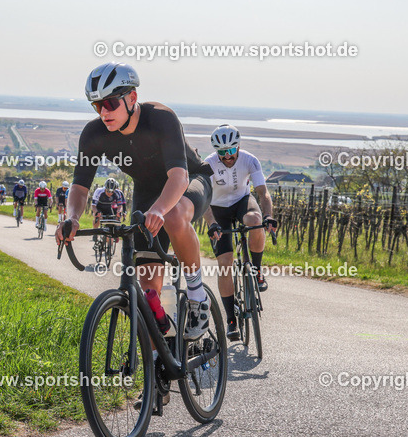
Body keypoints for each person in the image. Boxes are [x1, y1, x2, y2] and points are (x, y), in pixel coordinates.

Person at [58, 62, 214, 341]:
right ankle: (159, 359)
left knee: (174, 215)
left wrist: (158, 210)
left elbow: (178, 177)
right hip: (147, 191)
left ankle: (197, 294)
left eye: (110, 103)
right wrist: (71, 218)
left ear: (132, 98)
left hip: (189, 181)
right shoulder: (94, 135)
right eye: (96, 105)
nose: (103, 112)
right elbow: (80, 187)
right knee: (148, 290)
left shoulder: (161, 118)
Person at [202, 125, 277, 341]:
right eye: (222, 152)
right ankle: (230, 320)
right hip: (217, 208)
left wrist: (268, 216)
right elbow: (205, 201)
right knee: (225, 264)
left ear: (238, 146)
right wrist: (212, 224)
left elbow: (262, 192)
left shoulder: (249, 160)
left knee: (255, 221)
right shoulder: (209, 164)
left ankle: (256, 270)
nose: (227, 156)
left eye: (231, 151)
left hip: (242, 201)